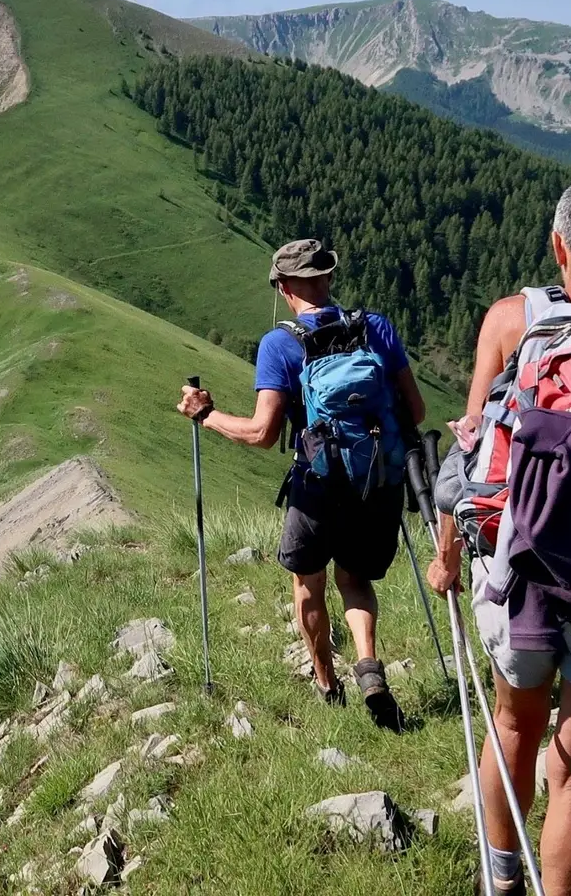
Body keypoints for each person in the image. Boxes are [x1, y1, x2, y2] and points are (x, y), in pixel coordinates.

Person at [428, 175, 571, 896]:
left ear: (560, 245)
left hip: (521, 566)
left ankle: (502, 881)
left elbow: (472, 453)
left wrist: (445, 559)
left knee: (515, 726)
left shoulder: (513, 321)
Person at [177, 238, 425, 729]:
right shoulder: (375, 327)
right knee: (354, 580)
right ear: (327, 277)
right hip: (377, 482)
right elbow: (415, 411)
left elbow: (262, 433)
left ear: (284, 286)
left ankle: (327, 685)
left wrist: (205, 415)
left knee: (307, 584)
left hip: (317, 488)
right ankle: (369, 666)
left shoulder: (280, 344)